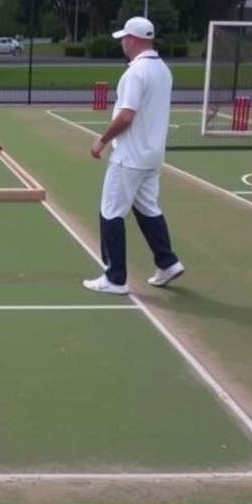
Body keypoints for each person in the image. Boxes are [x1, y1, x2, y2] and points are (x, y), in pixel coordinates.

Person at [83, 16, 184, 295]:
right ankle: (167, 262)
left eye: (125, 38)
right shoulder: (163, 69)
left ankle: (115, 278)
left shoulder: (135, 73)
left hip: (129, 156)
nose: (123, 43)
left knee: (110, 212)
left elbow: (126, 115)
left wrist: (101, 141)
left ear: (135, 39)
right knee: (148, 208)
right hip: (152, 157)